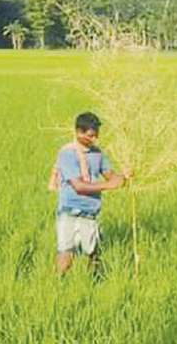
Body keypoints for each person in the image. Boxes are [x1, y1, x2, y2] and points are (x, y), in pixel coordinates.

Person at [48, 112, 129, 274]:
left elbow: (110, 176)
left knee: (91, 251)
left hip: (90, 211)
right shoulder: (67, 154)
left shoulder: (97, 154)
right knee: (66, 251)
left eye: (96, 134)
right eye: (90, 135)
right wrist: (109, 185)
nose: (93, 138)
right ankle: (58, 284)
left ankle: (93, 281)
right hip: (70, 209)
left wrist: (125, 177)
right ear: (78, 132)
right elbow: (78, 186)